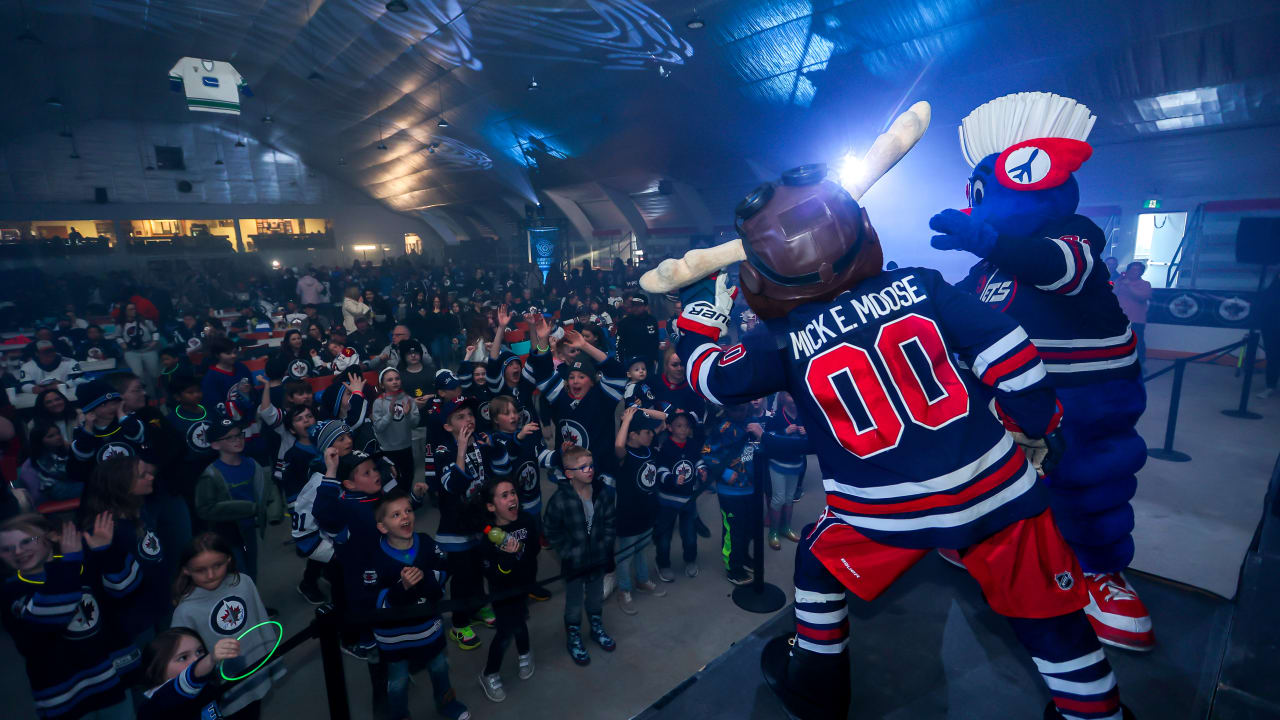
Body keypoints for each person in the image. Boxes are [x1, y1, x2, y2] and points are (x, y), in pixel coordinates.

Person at [677, 162, 1131, 718]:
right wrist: (1042, 422)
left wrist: (696, 321)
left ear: (758, 276)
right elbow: (1009, 348)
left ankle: (816, 683)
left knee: (818, 561)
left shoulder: (781, 339)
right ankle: (1093, 709)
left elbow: (712, 380)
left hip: (882, 512)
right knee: (1046, 609)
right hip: (994, 486)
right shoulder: (921, 284)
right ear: (864, 228)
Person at [0, 512, 140, 720]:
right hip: (64, 696)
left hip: (110, 678)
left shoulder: (77, 562)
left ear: (52, 536)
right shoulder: (11, 592)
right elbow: (54, 613)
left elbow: (124, 588)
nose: (18, 551)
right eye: (6, 549)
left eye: (27, 541)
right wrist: (70, 561)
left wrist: (105, 551)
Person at [363, 490, 470, 720]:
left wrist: (426, 579)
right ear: (382, 527)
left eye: (408, 510)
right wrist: (401, 588)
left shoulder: (427, 543)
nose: (405, 517)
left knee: (440, 667)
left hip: (429, 628)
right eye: (396, 515)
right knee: (398, 681)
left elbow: (444, 571)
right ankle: (400, 715)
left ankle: (446, 704)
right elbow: (373, 601)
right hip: (394, 638)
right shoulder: (374, 558)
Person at [170, 532, 278, 719]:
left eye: (217, 565)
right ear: (186, 570)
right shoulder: (185, 612)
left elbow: (261, 622)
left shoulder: (244, 583)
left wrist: (273, 662)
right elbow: (180, 663)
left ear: (228, 559)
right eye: (200, 570)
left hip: (254, 670)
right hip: (220, 690)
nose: (210, 575)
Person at [79, 456, 172, 643]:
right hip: (135, 621)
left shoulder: (138, 510)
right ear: (121, 486)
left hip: (159, 606)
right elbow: (120, 588)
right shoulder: (104, 531)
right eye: (142, 475)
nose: (151, 477)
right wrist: (105, 550)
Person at [431, 399, 499, 650]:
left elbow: (492, 475)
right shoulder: (443, 450)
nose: (468, 419)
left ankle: (478, 607)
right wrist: (461, 449)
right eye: (460, 417)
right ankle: (459, 623)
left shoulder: (480, 443)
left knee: (479, 568)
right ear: (448, 426)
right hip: (455, 528)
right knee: (462, 576)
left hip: (479, 522)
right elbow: (453, 486)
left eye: (470, 414)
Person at [542, 446, 617, 666]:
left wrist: (605, 546)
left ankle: (596, 627)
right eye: (583, 467)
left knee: (595, 598)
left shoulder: (602, 493)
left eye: (591, 466)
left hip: (598, 560)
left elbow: (610, 522)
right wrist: (567, 552)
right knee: (574, 603)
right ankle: (573, 637)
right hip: (574, 565)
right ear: (569, 473)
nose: (589, 470)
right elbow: (551, 531)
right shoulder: (560, 500)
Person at [476, 478, 539, 702]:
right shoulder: (489, 536)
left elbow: (534, 549)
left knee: (520, 619)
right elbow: (492, 574)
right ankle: (489, 673)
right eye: (504, 495)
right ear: (491, 506)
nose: (512, 498)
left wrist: (524, 559)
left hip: (523, 585)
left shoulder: (526, 520)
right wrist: (507, 558)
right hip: (502, 592)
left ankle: (525, 653)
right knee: (505, 632)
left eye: (513, 492)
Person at [195, 418, 281, 581]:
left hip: (249, 530)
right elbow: (205, 509)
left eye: (239, 435)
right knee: (239, 572)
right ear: (215, 445)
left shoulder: (252, 465)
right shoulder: (211, 475)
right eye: (230, 438)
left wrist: (271, 512)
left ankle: (253, 596)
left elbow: (267, 491)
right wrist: (248, 508)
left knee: (252, 568)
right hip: (227, 535)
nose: (237, 440)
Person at [611, 407, 668, 615]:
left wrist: (638, 410)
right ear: (633, 435)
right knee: (625, 556)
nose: (652, 435)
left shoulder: (649, 449)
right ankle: (624, 590)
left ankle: (642, 580)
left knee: (642, 550)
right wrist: (627, 421)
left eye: (651, 432)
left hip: (647, 512)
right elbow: (619, 444)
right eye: (647, 432)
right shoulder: (625, 455)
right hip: (628, 515)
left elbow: (665, 418)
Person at [137, 628, 242, 720]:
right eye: (183, 658)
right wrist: (209, 660)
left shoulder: (206, 689)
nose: (196, 659)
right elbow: (182, 683)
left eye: (199, 651)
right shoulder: (153, 707)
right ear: (158, 669)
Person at [705, 403, 756, 585]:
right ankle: (733, 568)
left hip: (751, 488)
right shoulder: (722, 428)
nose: (740, 412)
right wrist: (725, 473)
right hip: (730, 491)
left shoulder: (752, 424)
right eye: (735, 408)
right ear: (727, 409)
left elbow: (758, 449)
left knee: (749, 528)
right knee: (733, 530)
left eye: (743, 408)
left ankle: (743, 557)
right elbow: (706, 453)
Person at [653, 411, 705, 581]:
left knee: (690, 535)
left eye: (687, 426)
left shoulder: (693, 444)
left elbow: (698, 460)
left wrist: (702, 470)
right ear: (670, 427)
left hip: (689, 500)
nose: (684, 429)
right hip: (667, 501)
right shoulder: (665, 447)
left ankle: (690, 560)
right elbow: (660, 470)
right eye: (679, 425)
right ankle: (663, 564)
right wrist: (672, 479)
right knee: (664, 536)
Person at [764, 392, 810, 550]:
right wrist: (784, 432)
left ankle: (786, 528)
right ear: (783, 397)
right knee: (778, 499)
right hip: (777, 464)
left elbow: (813, 439)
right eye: (790, 395)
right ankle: (773, 532)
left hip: (796, 464)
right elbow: (767, 437)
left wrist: (807, 432)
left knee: (790, 498)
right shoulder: (776, 417)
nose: (794, 397)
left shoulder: (804, 415)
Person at [372, 367, 420, 483]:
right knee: (394, 482)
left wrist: (408, 415)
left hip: (407, 448)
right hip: (388, 450)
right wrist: (389, 414)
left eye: (397, 378)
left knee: (408, 479)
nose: (394, 382)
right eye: (390, 380)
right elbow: (378, 428)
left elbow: (415, 424)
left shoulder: (408, 399)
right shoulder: (378, 402)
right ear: (382, 385)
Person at [18, 421, 79, 506]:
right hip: (55, 489)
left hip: (66, 484)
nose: (58, 437)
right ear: (39, 441)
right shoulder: (42, 458)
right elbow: (63, 472)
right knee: (88, 487)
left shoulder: (59, 452)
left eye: (58, 433)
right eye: (51, 436)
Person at [114, 302, 162, 395]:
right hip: (132, 351)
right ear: (125, 311)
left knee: (155, 373)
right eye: (131, 309)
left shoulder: (145, 321)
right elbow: (118, 336)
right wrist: (122, 344)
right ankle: (144, 393)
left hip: (147, 349)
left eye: (134, 309)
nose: (134, 311)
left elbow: (155, 331)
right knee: (138, 374)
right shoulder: (121, 324)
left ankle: (158, 390)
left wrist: (154, 341)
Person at [1113, 261, 1153, 368]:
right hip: (1119, 319)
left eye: (1137, 270)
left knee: (1137, 342)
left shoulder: (1145, 284)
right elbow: (1112, 295)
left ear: (1141, 272)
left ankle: (1140, 364)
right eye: (1132, 269)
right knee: (1118, 341)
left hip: (1136, 319)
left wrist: (1129, 285)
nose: (1134, 272)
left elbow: (1142, 297)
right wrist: (1118, 282)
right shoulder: (1120, 282)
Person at [615, 292, 661, 373]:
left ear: (646, 306)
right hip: (631, 361)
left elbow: (655, 341)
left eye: (639, 305)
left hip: (649, 361)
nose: (636, 308)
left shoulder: (652, 320)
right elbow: (619, 344)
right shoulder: (624, 322)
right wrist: (620, 363)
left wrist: (656, 358)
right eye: (634, 305)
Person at [17, 340, 83, 394]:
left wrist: (65, 385)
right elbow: (23, 384)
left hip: (67, 395)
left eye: (51, 351)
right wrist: (32, 389)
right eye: (44, 352)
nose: (49, 354)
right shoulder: (27, 366)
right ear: (37, 353)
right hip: (40, 397)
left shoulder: (71, 362)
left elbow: (81, 379)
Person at [1258, 271, 1280, 399]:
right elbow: (1264, 306)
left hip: (1271, 327)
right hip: (1271, 328)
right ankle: (1270, 386)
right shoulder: (1272, 288)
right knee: (1273, 357)